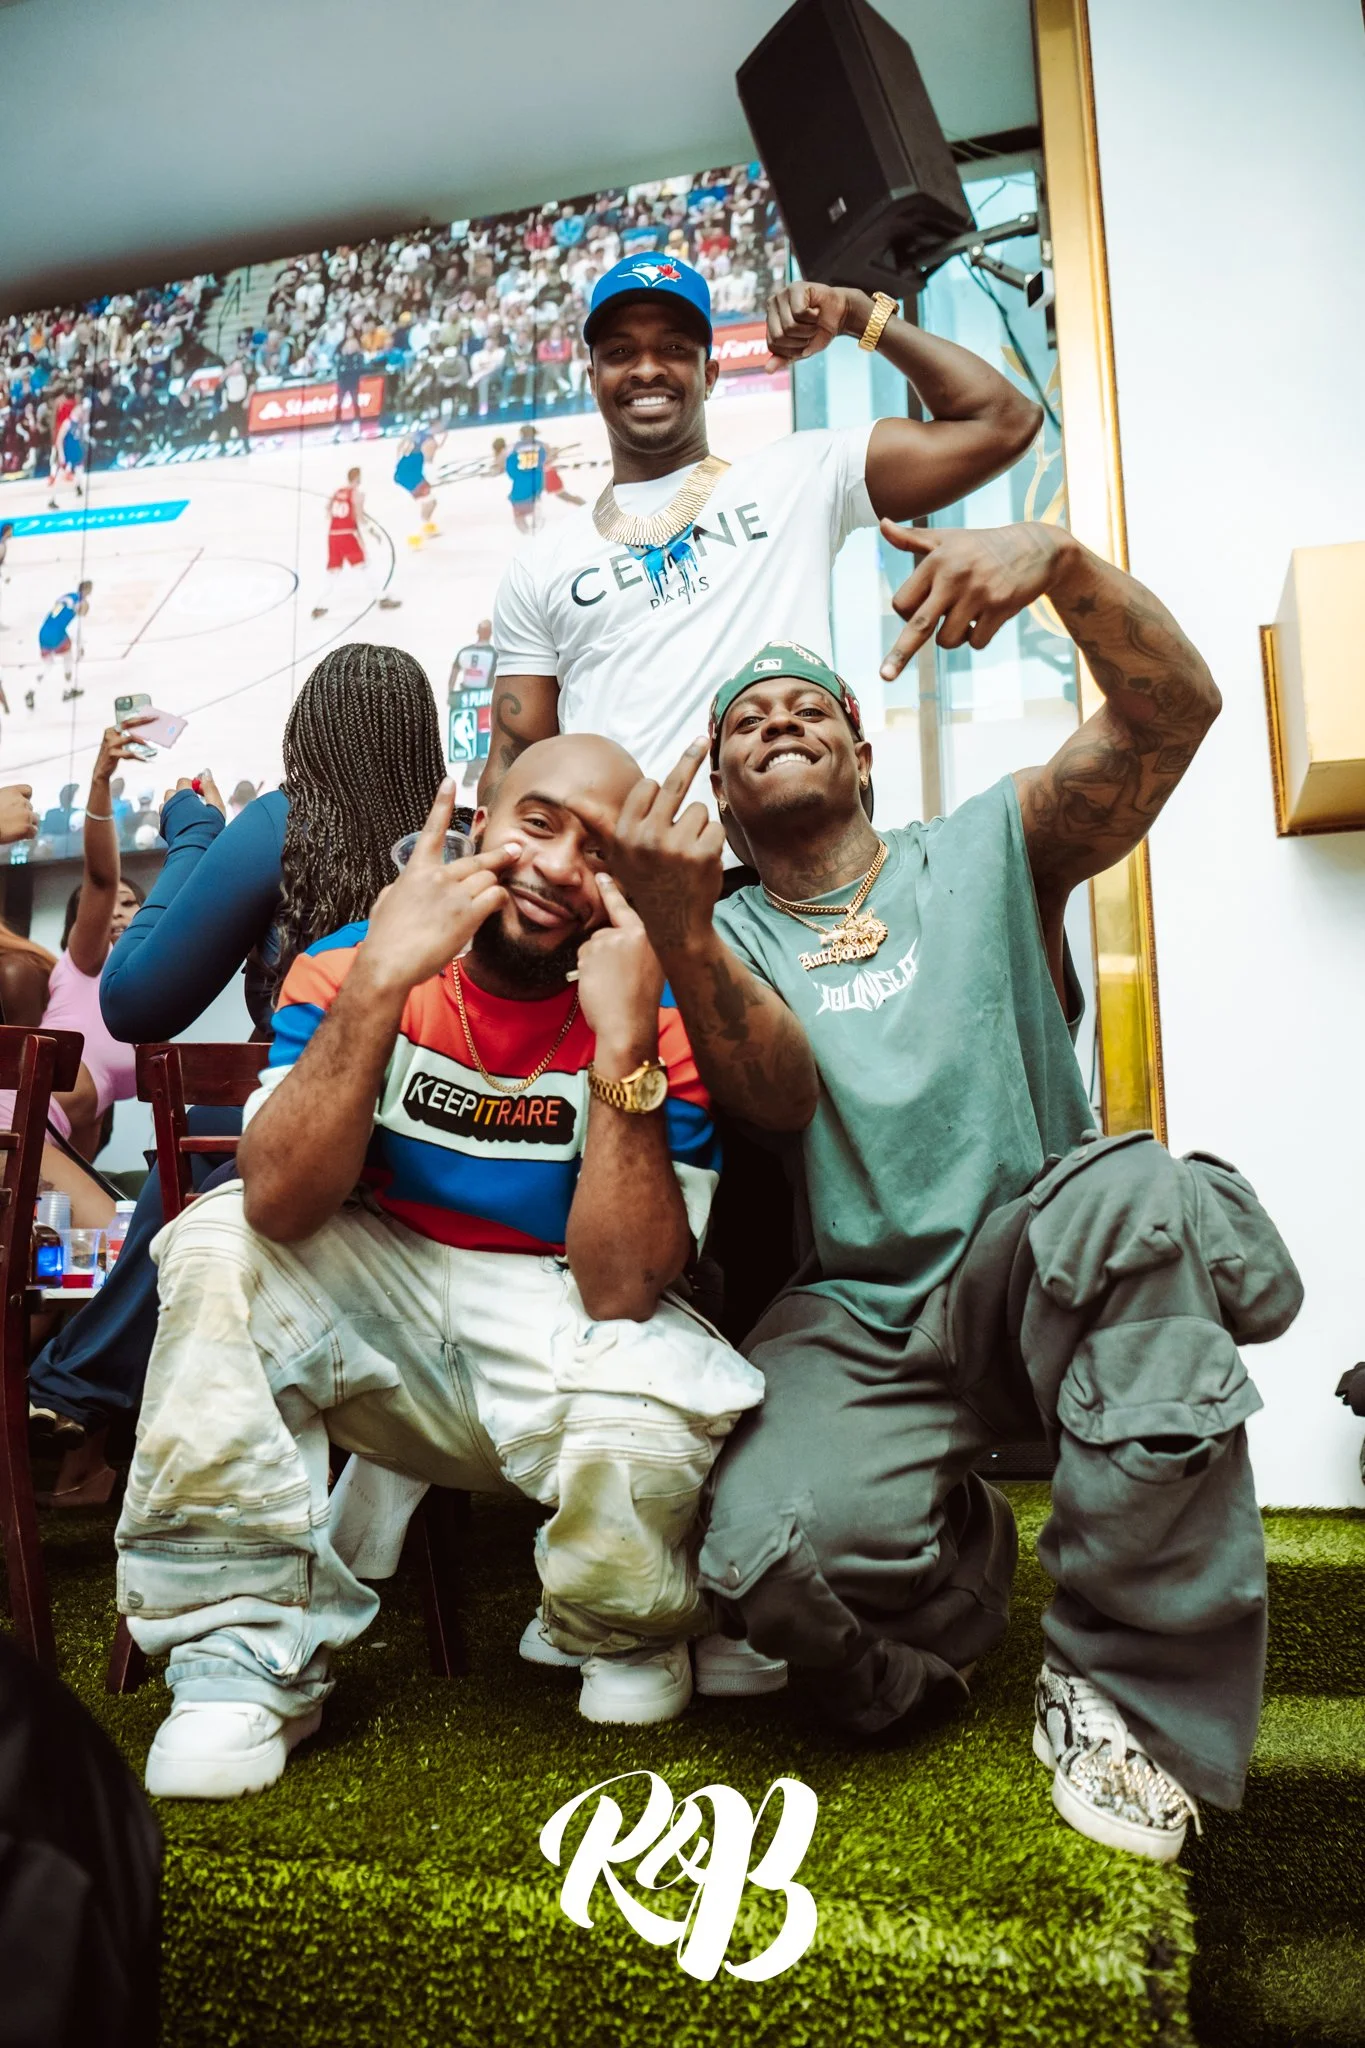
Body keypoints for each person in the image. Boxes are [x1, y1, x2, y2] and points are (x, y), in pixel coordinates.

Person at [569, 519, 1304, 1863]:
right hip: (859, 1311)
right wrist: (676, 922)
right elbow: (777, 1096)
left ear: (861, 752)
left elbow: (1177, 713)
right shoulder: (719, 928)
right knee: (767, 1554)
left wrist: (1063, 567)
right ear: (719, 791)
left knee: (1135, 1193)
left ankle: (1123, 1702)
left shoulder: (986, 844)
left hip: (1042, 1257)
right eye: (745, 723)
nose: (778, 721)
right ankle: (959, 1558)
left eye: (810, 709)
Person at [116, 738, 761, 1800]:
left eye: (599, 851)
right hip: (378, 1316)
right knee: (219, 1239)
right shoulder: (352, 960)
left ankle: (617, 1619)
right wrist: (381, 980)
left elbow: (621, 1289)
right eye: (537, 823)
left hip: (552, 1314)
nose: (557, 866)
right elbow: (279, 1204)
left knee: (659, 1375)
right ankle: (243, 1654)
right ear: (478, 820)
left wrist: (623, 1045)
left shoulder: (653, 1005)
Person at [28, 645, 474, 1439]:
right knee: (207, 1138)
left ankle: (82, 1386)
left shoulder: (283, 823)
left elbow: (133, 1004)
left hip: (313, 1139)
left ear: (304, 733)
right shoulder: (463, 839)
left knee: (203, 1139)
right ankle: (80, 1382)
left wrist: (195, 837)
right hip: (449, 1137)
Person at [481, 255, 1041, 810]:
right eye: (620, 352)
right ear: (593, 379)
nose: (647, 369)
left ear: (709, 375)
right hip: (616, 862)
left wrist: (858, 315)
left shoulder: (803, 475)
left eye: (673, 348)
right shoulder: (541, 564)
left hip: (798, 857)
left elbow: (1004, 421)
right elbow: (514, 761)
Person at [310, 465, 401, 619]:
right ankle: (381, 598)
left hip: (333, 535)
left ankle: (319, 605)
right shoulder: (357, 495)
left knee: (333, 570)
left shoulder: (338, 492)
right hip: (347, 535)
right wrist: (372, 532)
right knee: (365, 566)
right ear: (358, 478)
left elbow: (327, 510)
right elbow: (360, 518)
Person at [36, 578, 91, 704]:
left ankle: (32, 688)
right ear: (86, 590)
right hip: (57, 634)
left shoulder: (66, 597)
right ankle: (68, 690)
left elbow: (57, 613)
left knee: (48, 664)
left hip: (43, 632)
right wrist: (80, 647)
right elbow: (75, 627)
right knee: (68, 657)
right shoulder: (79, 602)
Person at [393, 426, 441, 547]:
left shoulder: (416, 438)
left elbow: (400, 447)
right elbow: (429, 461)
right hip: (412, 477)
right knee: (429, 502)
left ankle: (426, 526)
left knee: (429, 501)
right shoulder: (428, 443)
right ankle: (420, 531)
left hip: (405, 473)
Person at [505, 421, 547, 534]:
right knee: (535, 509)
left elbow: (510, 467)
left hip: (519, 485)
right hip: (535, 483)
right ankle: (537, 532)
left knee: (519, 515)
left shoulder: (515, 448)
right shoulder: (540, 446)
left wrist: (517, 476)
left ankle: (526, 534)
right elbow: (542, 462)